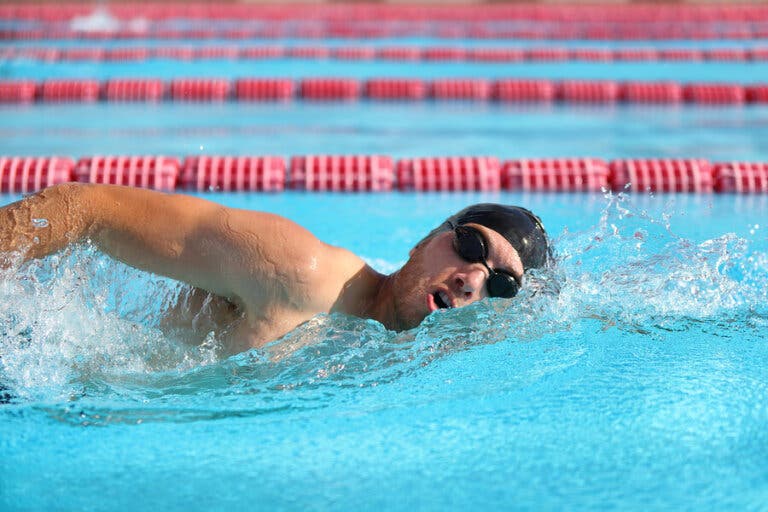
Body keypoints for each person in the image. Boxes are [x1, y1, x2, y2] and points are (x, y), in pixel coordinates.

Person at [0, 183, 550, 354]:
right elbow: (84, 209)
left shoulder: (442, 357)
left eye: (501, 285)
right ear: (427, 239)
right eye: (472, 248)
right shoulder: (298, 272)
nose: (472, 278)